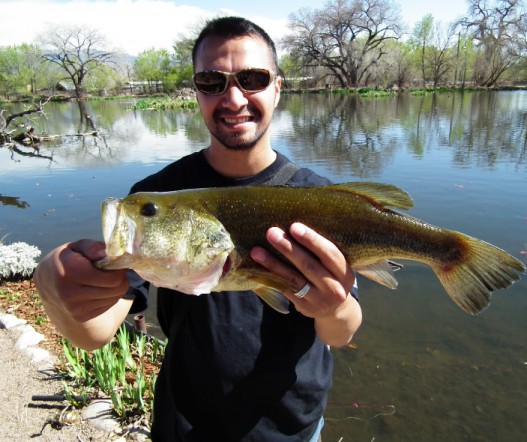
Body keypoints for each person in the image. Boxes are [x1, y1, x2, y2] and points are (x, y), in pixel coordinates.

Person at [33, 16, 362, 441]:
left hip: (293, 428)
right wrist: (54, 285)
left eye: (253, 78)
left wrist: (333, 308)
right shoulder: (159, 195)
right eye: (212, 81)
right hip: (188, 426)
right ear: (197, 92)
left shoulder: (321, 199)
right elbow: (95, 333)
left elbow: (342, 330)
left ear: (278, 88)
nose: (234, 97)